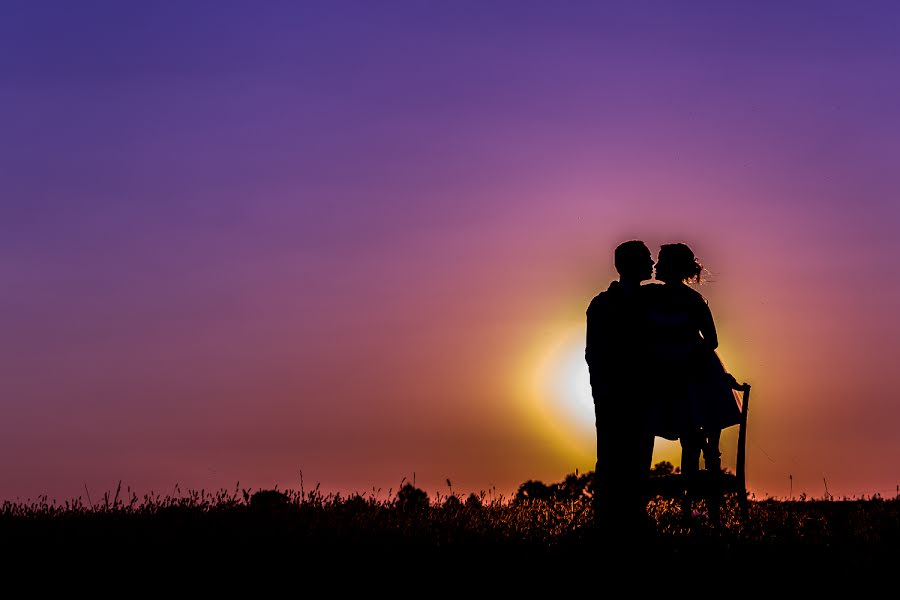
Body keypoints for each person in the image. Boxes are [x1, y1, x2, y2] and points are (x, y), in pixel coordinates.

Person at [647, 243, 741, 519]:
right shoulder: (650, 295)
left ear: (672, 267)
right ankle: (688, 506)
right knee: (686, 435)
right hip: (665, 375)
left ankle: (705, 506)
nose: (655, 265)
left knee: (698, 434)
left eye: (661, 261)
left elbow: (711, 340)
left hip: (695, 375)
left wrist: (684, 353)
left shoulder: (693, 301)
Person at [585, 240, 657, 535]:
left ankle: (634, 515)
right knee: (613, 452)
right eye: (647, 258)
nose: (653, 263)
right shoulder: (602, 304)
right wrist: (604, 387)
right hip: (614, 391)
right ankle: (608, 517)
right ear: (630, 264)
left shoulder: (653, 300)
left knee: (640, 451)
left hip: (642, 390)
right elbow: (594, 353)